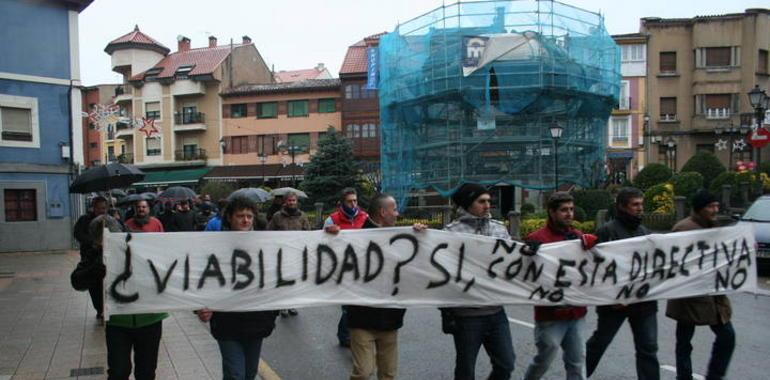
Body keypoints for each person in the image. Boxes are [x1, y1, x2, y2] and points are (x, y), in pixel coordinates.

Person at [196, 196, 279, 380]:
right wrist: (200, 306)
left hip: (256, 322)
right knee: (235, 375)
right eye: (240, 215)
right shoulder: (214, 246)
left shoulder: (265, 244)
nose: (245, 220)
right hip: (227, 323)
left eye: (249, 216)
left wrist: (329, 235)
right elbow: (201, 278)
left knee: (249, 374)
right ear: (229, 218)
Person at [346, 193, 426, 380]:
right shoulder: (357, 238)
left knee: (388, 374)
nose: (398, 214)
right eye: (395, 209)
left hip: (390, 318)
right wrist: (331, 237)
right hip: (362, 319)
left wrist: (421, 237)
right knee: (363, 373)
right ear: (383, 212)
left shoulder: (402, 238)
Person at [443, 183, 515, 380]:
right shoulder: (450, 233)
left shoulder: (500, 230)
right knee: (466, 369)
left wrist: (531, 248)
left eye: (489, 201)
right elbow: (441, 272)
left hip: (496, 311)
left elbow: (513, 260)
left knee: (506, 364)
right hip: (466, 315)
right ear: (468, 203)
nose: (487, 205)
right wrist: (446, 311)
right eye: (481, 201)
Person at [585, 187, 659, 380]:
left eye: (641, 204)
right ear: (621, 207)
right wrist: (613, 297)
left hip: (643, 304)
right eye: (635, 205)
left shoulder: (646, 233)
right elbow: (598, 269)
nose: (640, 209)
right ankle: (578, 375)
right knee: (600, 343)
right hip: (614, 305)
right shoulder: (606, 231)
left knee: (648, 349)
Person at [522, 192, 594, 380]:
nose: (569, 214)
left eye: (571, 209)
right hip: (550, 315)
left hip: (576, 313)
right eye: (564, 210)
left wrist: (594, 248)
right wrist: (528, 252)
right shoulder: (537, 238)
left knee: (577, 362)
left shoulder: (579, 238)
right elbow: (524, 271)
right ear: (552, 212)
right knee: (544, 360)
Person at [666, 189, 735, 380]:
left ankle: (715, 375)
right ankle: (684, 376)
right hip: (689, 296)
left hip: (713, 294)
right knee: (684, 341)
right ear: (699, 208)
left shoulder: (713, 226)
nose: (715, 210)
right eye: (710, 206)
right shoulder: (683, 229)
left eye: (716, 206)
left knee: (727, 336)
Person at [99, 213, 169, 380]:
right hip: (117, 321)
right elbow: (77, 281)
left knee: (146, 372)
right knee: (118, 371)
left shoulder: (142, 246)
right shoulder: (98, 254)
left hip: (150, 319)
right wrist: (96, 266)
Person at [324, 187, 370, 347]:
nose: (353, 204)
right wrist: (327, 232)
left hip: (362, 267)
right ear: (342, 203)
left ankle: (349, 333)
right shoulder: (332, 219)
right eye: (349, 201)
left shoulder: (365, 217)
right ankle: (345, 334)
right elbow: (321, 243)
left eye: (355, 201)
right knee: (348, 304)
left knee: (358, 303)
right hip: (342, 268)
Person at [267, 191, 311, 317]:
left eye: (293, 200)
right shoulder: (277, 217)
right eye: (289, 200)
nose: (291, 202)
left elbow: (308, 232)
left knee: (294, 281)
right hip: (281, 255)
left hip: (297, 254)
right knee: (282, 281)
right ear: (285, 202)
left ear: (296, 202)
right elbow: (268, 233)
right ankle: (283, 306)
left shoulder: (302, 216)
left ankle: (292, 304)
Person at [73, 196, 108, 320]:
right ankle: (99, 309)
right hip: (90, 259)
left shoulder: (109, 219)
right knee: (94, 286)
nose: (102, 211)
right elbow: (78, 234)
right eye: (99, 208)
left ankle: (107, 309)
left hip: (107, 259)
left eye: (104, 208)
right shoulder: (84, 220)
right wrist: (93, 243)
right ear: (94, 208)